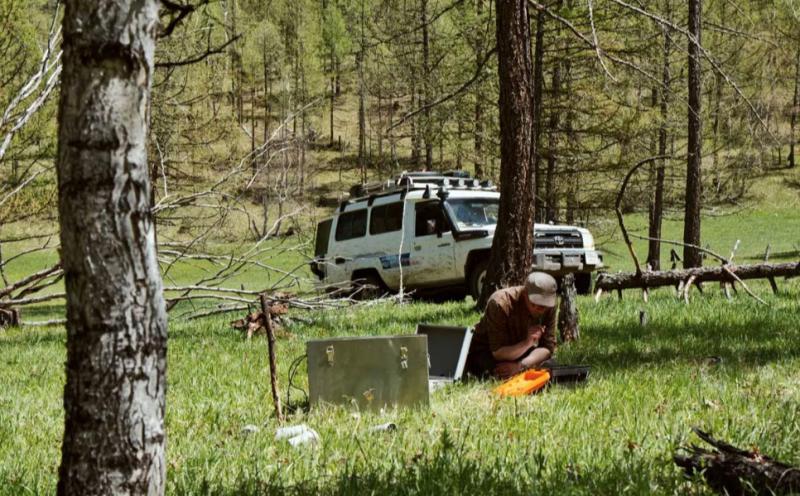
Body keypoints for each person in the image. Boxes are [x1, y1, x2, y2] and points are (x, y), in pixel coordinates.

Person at [466, 271, 558, 379]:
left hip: (519, 350)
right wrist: (527, 343)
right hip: (488, 350)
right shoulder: (500, 303)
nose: (541, 309)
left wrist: (520, 366)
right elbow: (498, 352)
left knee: (550, 364)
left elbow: (547, 348)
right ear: (525, 294)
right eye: (535, 304)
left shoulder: (550, 306)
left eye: (544, 305)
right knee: (497, 370)